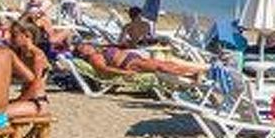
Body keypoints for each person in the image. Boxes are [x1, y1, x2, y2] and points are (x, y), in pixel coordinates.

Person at [74, 41, 206, 80]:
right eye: (83, 48)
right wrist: (124, 73)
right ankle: (193, 73)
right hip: (130, 64)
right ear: (82, 54)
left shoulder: (99, 50)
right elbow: (104, 69)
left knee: (165, 64)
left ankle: (192, 73)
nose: (86, 46)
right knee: (161, 67)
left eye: (85, 44)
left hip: (134, 58)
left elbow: (121, 46)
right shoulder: (94, 58)